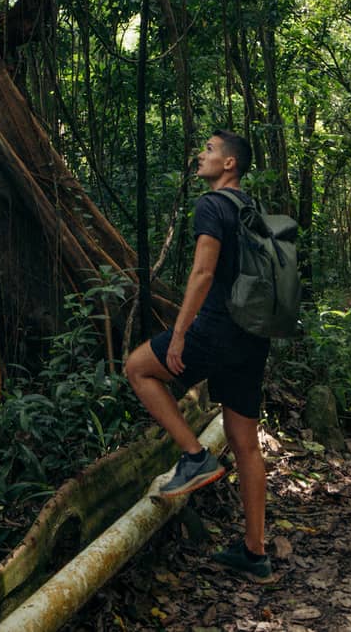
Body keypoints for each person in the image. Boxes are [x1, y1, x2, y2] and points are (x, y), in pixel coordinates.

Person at [124, 129, 273, 581]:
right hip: (252, 334)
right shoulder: (253, 209)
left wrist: (182, 334)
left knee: (137, 367)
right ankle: (255, 553)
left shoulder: (211, 205)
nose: (201, 156)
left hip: (217, 328)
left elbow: (203, 271)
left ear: (229, 163)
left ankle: (194, 456)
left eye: (208, 150)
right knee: (245, 443)